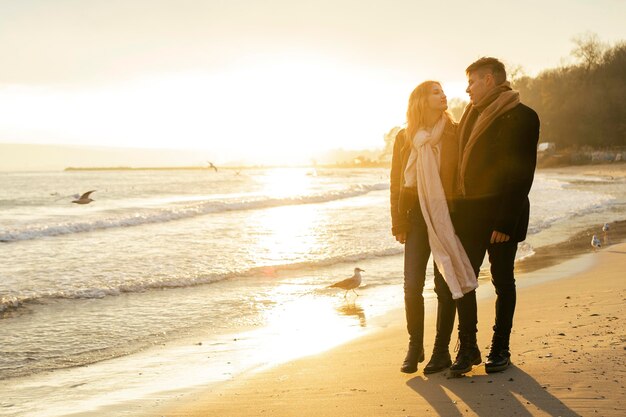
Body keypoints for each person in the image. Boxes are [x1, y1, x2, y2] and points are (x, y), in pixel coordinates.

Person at [450, 57, 540, 375]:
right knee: (465, 281)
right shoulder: (469, 116)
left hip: (504, 216)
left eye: (472, 81)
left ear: (490, 80)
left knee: (503, 280)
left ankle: (500, 347)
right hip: (470, 215)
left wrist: (505, 221)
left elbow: (521, 172)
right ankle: (468, 346)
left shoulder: (523, 117)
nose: (467, 88)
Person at [390, 81, 477, 374]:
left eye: (442, 91)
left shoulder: (454, 132)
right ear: (421, 101)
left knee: (444, 285)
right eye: (435, 91)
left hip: (446, 217)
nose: (443, 95)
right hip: (414, 218)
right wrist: (398, 222)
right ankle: (415, 345)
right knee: (412, 285)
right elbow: (396, 182)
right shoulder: (405, 137)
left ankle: (441, 349)